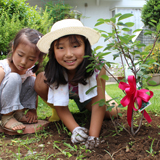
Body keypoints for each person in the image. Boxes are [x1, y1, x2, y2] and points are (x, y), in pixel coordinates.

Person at [35, 19, 119, 149]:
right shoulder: (54, 69)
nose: (69, 54)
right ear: (53, 51)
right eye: (61, 48)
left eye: (75, 46)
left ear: (86, 46)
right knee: (40, 81)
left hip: (91, 96)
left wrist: (93, 136)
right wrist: (75, 129)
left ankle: (89, 105)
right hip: (67, 93)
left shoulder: (97, 67)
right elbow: (61, 105)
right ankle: (57, 112)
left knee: (113, 112)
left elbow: (98, 105)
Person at [0, 28, 45, 132]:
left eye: (31, 59)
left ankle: (18, 113)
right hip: (1, 107)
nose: (23, 62)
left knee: (33, 81)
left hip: (14, 106)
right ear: (13, 48)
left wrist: (33, 110)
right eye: (20, 55)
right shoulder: (3, 68)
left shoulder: (29, 71)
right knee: (14, 77)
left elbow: (34, 91)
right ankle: (7, 117)